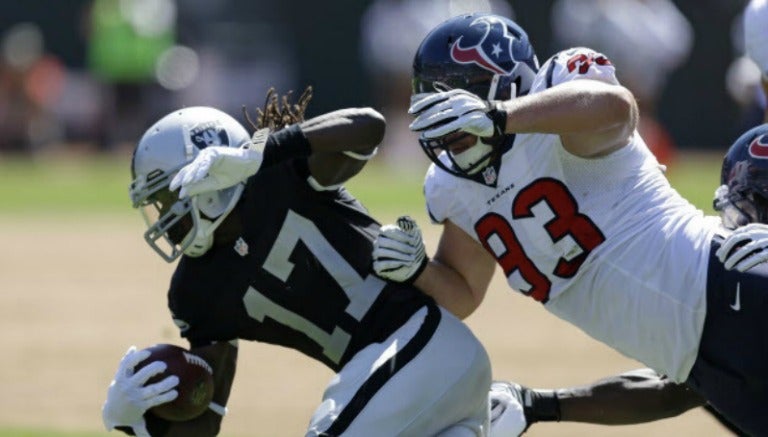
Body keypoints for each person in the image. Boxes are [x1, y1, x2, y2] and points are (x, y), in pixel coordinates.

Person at [370, 12, 768, 435]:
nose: (450, 126)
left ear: (508, 86)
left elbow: (614, 109)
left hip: (733, 288)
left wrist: (499, 115)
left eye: (460, 101)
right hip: (701, 365)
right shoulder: (452, 186)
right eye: (436, 107)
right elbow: (463, 292)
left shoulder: (560, 96)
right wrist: (418, 270)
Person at [100, 88, 493, 436]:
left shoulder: (280, 175)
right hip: (402, 386)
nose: (165, 221)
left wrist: (262, 153)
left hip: (420, 344)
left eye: (168, 200)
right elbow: (206, 419)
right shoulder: (195, 293)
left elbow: (368, 126)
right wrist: (136, 422)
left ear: (206, 184)